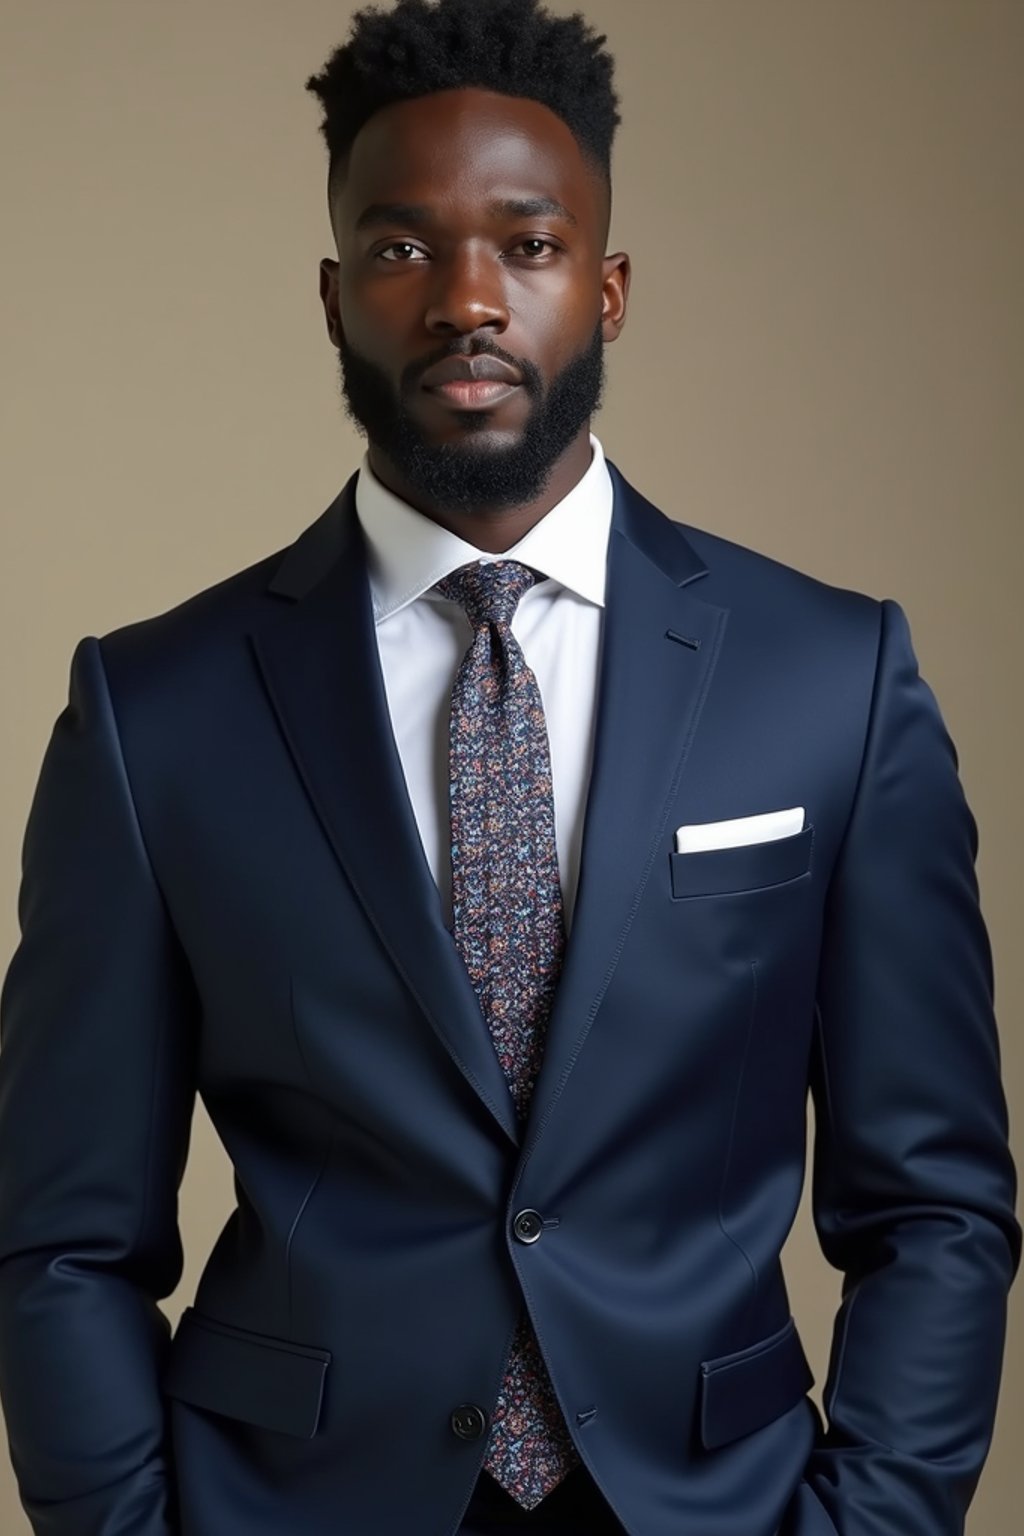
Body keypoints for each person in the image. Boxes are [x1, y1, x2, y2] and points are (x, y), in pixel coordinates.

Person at [0, 0, 1018, 1532]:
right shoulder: (158, 715)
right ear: (335, 296)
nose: (468, 299)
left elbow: (936, 1205)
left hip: (715, 1503)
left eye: (528, 247)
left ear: (607, 291)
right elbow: (61, 1238)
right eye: (406, 250)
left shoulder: (831, 680)